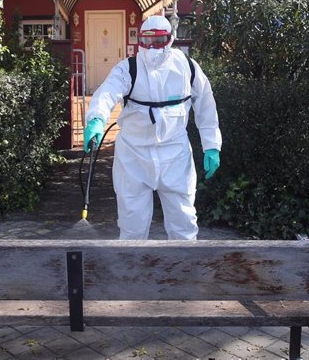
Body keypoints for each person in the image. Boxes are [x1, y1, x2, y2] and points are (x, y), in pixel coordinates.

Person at [83, 15, 221, 240]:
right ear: (140, 41)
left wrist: (212, 145)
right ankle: (133, 273)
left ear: (171, 39)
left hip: (175, 155)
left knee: (184, 224)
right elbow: (108, 92)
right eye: (147, 41)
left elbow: (205, 104)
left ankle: (184, 272)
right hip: (134, 158)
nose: (153, 47)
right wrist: (97, 119)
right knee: (132, 226)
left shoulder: (187, 68)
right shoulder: (129, 68)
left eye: (160, 40)